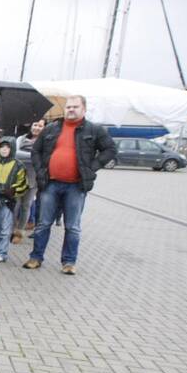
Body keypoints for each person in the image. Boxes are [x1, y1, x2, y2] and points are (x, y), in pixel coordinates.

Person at [23, 95, 116, 275]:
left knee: (72, 226)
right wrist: (41, 171)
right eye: (68, 107)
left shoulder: (94, 130)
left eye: (75, 107)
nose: (71, 110)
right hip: (50, 184)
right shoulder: (51, 129)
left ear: (84, 109)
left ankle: (69, 262)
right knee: (43, 223)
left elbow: (110, 150)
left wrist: (92, 168)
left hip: (76, 186)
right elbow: (36, 151)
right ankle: (36, 257)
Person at [12, 118, 44, 242]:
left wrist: (28, 157)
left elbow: (44, 158)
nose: (37, 128)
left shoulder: (45, 142)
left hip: (33, 179)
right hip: (18, 176)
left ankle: (19, 233)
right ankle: (10, 229)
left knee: (26, 205)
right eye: (35, 125)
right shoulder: (21, 138)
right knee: (15, 205)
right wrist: (35, 156)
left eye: (40, 126)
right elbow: (15, 153)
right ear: (31, 126)